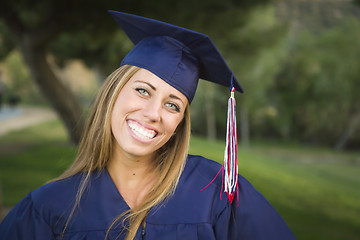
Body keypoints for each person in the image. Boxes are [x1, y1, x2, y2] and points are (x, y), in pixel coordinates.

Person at [0, 11, 296, 240]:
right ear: (113, 93)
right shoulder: (48, 207)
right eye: (143, 90)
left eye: (172, 105)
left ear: (180, 122)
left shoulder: (216, 191)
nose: (154, 113)